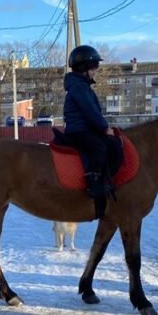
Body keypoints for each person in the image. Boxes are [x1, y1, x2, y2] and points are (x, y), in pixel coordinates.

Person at [62, 45, 123, 219]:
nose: (96, 70)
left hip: (83, 127)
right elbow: (90, 111)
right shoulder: (80, 87)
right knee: (99, 147)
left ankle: (106, 179)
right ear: (84, 67)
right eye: (94, 66)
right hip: (78, 130)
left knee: (110, 144)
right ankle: (93, 182)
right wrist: (104, 128)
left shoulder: (81, 85)